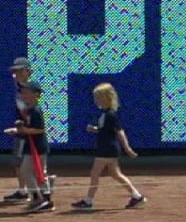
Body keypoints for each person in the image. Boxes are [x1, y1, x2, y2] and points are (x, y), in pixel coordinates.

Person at [69, 83, 147, 211]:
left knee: (95, 174)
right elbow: (105, 130)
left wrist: (127, 149)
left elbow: (120, 132)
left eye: (98, 97)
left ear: (105, 98)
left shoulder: (110, 114)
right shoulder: (106, 114)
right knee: (116, 174)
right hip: (108, 149)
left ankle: (88, 201)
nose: (96, 100)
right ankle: (137, 196)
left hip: (106, 149)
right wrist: (94, 129)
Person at [3, 80, 52, 212]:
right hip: (31, 146)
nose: (24, 95)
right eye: (23, 93)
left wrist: (23, 130)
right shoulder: (30, 110)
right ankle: (43, 199)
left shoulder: (36, 110)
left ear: (36, 95)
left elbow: (40, 130)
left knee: (31, 171)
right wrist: (18, 130)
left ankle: (40, 198)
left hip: (37, 147)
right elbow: (29, 128)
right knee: (35, 172)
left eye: (27, 92)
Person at [4, 57, 32, 203]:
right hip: (21, 130)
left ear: (27, 71)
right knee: (18, 162)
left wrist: (22, 128)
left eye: (19, 71)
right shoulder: (19, 88)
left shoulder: (30, 90)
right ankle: (23, 191)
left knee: (26, 163)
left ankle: (40, 193)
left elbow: (30, 112)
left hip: (27, 132)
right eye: (15, 71)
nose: (16, 74)